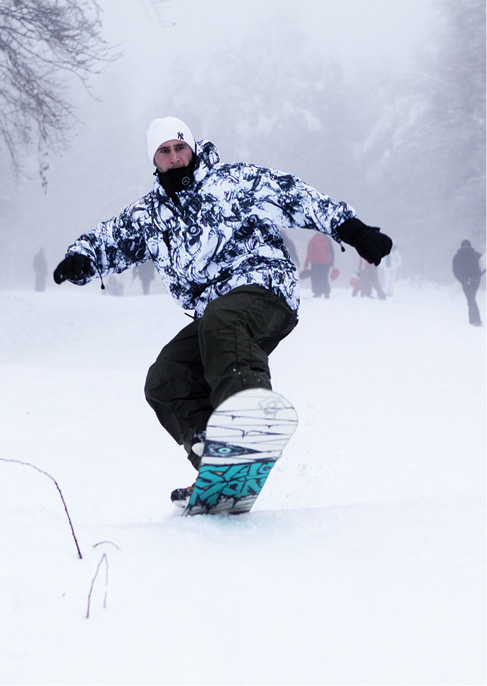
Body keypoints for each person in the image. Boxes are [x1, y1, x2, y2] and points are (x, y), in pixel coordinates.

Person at [53, 116, 392, 504]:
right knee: (166, 378)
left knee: (222, 321)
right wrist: (82, 257)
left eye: (180, 147)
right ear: (155, 159)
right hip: (214, 316)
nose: (175, 157)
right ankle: (217, 462)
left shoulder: (235, 182)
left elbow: (298, 197)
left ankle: (250, 426)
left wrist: (354, 230)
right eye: (165, 151)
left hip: (264, 289)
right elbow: (111, 238)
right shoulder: (149, 215)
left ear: (192, 148)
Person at [452, 239, 484, 326]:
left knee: (470, 298)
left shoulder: (457, 257)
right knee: (471, 298)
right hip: (476, 279)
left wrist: (461, 279)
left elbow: (455, 270)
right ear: (470, 245)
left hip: (465, 280)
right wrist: (479, 275)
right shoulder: (477, 255)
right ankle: (473, 319)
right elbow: (484, 266)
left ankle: (476, 319)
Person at [304, 233, 334, 298]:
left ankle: (317, 292)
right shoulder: (327, 239)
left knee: (315, 278)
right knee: (324, 277)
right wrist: (332, 262)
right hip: (326, 262)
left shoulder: (313, 239)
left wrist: (306, 263)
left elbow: (309, 252)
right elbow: (331, 252)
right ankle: (326, 292)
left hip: (315, 262)